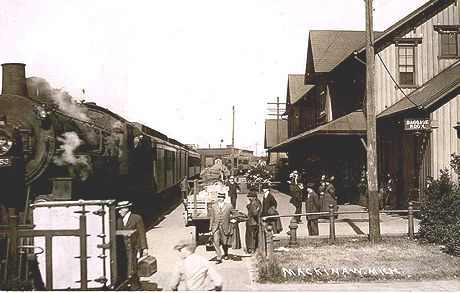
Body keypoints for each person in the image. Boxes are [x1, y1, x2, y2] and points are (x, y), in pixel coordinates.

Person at [209, 192, 234, 264]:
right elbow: (212, 217)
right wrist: (210, 229)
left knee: (224, 242)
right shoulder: (214, 206)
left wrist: (235, 219)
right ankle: (219, 257)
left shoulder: (229, 206)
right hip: (215, 226)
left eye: (222, 198)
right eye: (219, 197)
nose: (220, 199)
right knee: (216, 241)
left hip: (225, 226)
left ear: (224, 198)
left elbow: (234, 213)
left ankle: (226, 253)